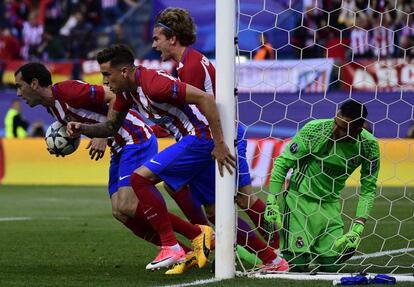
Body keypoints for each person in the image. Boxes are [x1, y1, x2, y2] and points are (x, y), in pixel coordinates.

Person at [14, 62, 212, 271]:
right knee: (120, 211)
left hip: (134, 137)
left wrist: (105, 133)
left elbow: (112, 96)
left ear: (34, 83)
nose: (18, 93)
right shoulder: (52, 107)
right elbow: (88, 119)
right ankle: (183, 252)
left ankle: (195, 234)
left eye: (20, 86)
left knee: (127, 204)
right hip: (118, 146)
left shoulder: (67, 91)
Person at [66, 44, 234, 270]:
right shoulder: (127, 92)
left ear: (124, 72)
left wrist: (220, 143)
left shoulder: (154, 84)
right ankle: (214, 241)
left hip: (200, 136)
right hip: (188, 139)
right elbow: (110, 127)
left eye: (107, 74)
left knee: (140, 179)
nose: (104, 80)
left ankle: (175, 245)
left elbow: (206, 99)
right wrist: (82, 128)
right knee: (206, 202)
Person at [151, 7, 288, 274]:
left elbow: (204, 107)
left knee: (229, 202)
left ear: (172, 38)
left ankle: (271, 253)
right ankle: (274, 250)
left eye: (157, 38)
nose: (154, 44)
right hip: (224, 134)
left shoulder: (190, 67)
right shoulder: (189, 61)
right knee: (235, 200)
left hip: (218, 139)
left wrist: (219, 143)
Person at [264, 100, 380, 272]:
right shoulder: (315, 130)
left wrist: (357, 227)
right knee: (297, 266)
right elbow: (282, 162)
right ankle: (255, 255)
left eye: (343, 129)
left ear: (357, 130)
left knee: (331, 268)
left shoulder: (369, 146)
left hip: (330, 206)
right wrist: (271, 199)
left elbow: (368, 189)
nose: (335, 130)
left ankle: (278, 254)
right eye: (336, 123)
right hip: (298, 203)